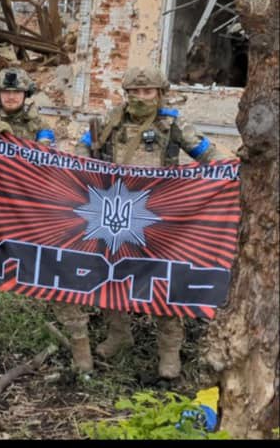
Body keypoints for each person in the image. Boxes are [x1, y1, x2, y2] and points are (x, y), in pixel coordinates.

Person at [76, 65, 222, 379]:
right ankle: (119, 334)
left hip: (161, 219)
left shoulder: (172, 123)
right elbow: (80, 152)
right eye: (134, 92)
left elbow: (210, 158)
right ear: (126, 94)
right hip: (116, 214)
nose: (141, 97)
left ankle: (169, 351)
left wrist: (216, 181)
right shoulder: (109, 121)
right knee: (111, 275)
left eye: (148, 92)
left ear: (160, 92)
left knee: (164, 282)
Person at [0, 67, 93, 372]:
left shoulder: (40, 127)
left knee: (54, 272)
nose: (12, 97)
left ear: (26, 95)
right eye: (6, 92)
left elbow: (45, 159)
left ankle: (81, 347)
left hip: (30, 214)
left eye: (17, 93)